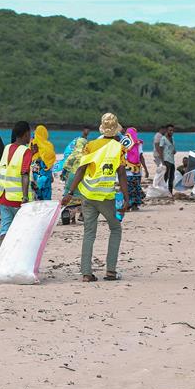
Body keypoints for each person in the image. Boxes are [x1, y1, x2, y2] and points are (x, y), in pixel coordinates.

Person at [62, 113, 129, 283]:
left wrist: (70, 193)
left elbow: (81, 169)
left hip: (87, 194)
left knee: (89, 233)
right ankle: (111, 271)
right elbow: (121, 174)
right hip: (105, 196)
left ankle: (86, 273)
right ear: (116, 131)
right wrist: (127, 198)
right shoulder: (118, 148)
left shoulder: (91, 145)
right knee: (115, 229)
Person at [0, 121, 33, 238]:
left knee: (4, 230)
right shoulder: (26, 151)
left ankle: (2, 255)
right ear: (26, 134)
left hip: (2, 196)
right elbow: (24, 174)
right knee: (20, 231)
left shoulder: (7, 148)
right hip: (17, 199)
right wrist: (25, 197)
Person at [59, 130, 90, 223]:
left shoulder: (73, 154)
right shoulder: (87, 154)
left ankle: (69, 215)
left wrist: (63, 174)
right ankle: (83, 214)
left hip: (72, 175)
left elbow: (66, 165)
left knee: (69, 193)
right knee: (84, 196)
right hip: (83, 177)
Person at [124, 127, 149, 211]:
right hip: (137, 169)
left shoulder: (124, 143)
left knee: (128, 187)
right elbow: (141, 157)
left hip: (127, 169)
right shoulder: (138, 143)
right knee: (136, 186)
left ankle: (128, 204)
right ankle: (134, 205)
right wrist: (145, 169)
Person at [30, 125, 56, 201]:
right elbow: (50, 161)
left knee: (36, 193)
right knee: (46, 194)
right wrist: (51, 174)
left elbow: (29, 155)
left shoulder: (33, 143)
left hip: (35, 169)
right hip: (45, 170)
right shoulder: (49, 145)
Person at [161, 124, 177, 193]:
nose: (171, 132)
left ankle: (170, 192)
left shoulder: (172, 139)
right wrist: (162, 161)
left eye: (172, 130)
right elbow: (161, 150)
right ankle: (164, 191)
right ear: (167, 130)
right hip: (166, 159)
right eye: (170, 130)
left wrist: (174, 151)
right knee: (166, 176)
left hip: (172, 160)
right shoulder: (163, 139)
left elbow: (172, 148)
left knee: (171, 177)